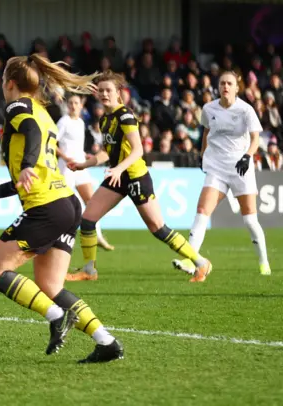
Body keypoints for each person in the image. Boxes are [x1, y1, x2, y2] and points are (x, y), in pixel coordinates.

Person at [0, 54, 123, 363]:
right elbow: (39, 167)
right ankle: (106, 342)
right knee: (50, 285)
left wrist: (24, 166)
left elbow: (32, 148)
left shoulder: (17, 106)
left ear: (8, 83)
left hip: (47, 207)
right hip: (66, 203)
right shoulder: (43, 112)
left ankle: (55, 316)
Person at [65, 70, 212, 282]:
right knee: (87, 219)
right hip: (118, 177)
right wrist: (84, 164)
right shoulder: (105, 119)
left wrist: (118, 169)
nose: (105, 94)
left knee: (158, 228)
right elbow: (108, 151)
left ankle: (200, 262)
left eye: (109, 90)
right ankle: (89, 270)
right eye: (102, 90)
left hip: (135, 177)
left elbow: (137, 151)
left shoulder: (125, 116)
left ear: (118, 93)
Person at [172, 72, 270, 278]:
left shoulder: (246, 110)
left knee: (250, 220)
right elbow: (207, 132)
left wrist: (247, 156)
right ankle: (192, 260)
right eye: (222, 83)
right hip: (217, 167)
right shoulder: (208, 108)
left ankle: (264, 262)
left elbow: (255, 139)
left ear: (237, 88)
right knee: (202, 211)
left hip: (241, 168)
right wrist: (202, 154)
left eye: (229, 83)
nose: (225, 86)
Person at [55, 94, 115, 258]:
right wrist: (66, 157)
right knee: (66, 205)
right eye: (71, 103)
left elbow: (75, 146)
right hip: (67, 167)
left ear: (81, 106)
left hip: (81, 166)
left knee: (92, 201)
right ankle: (59, 238)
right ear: (68, 105)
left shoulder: (81, 122)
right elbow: (52, 142)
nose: (73, 106)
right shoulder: (63, 122)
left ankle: (99, 236)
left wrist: (84, 155)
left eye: (76, 103)